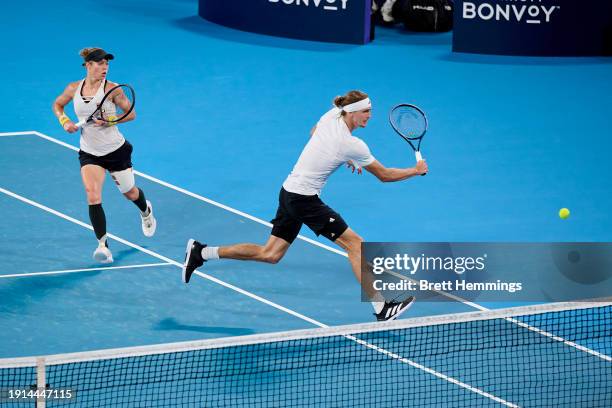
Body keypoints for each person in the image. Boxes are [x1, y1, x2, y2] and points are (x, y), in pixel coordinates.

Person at [182, 90, 427, 321]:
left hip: (288, 191)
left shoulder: (331, 116)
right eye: (366, 111)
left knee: (270, 254)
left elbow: (314, 133)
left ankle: (201, 252)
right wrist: (415, 171)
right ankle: (381, 306)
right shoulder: (353, 144)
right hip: (304, 200)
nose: (370, 116)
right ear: (352, 112)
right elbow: (384, 175)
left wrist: (345, 156)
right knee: (356, 244)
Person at [52, 47, 156, 264]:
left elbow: (131, 114)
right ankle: (103, 246)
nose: (105, 68)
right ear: (88, 65)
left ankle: (146, 210)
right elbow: (58, 105)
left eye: (107, 64)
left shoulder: (113, 89)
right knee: (92, 195)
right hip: (90, 153)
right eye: (100, 64)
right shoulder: (73, 88)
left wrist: (110, 121)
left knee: (130, 193)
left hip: (116, 151)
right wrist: (65, 121)